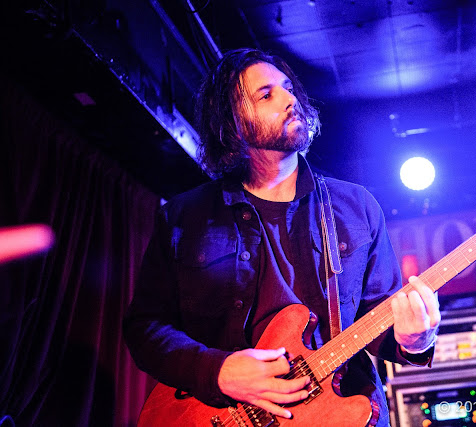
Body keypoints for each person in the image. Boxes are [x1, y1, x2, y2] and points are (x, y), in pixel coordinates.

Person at [123, 48, 440, 426]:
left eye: (289, 88)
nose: (290, 99)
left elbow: (378, 324)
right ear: (233, 122)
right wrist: (218, 371)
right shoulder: (183, 217)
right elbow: (145, 329)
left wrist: (415, 342)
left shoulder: (356, 206)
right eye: (267, 95)